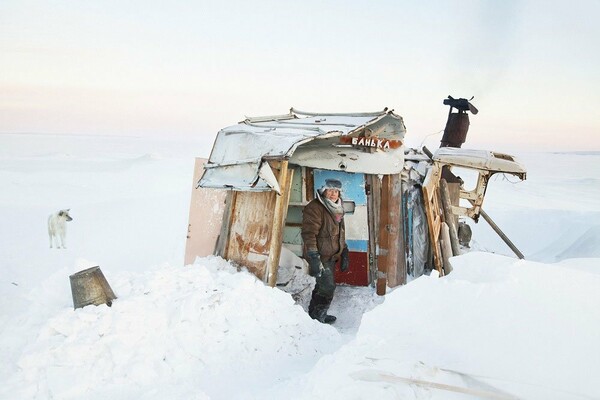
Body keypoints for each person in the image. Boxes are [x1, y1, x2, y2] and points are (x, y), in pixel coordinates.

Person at [301, 178, 350, 324]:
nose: (333, 194)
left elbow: (340, 231)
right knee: (328, 287)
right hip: (320, 255)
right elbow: (309, 234)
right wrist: (314, 257)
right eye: (330, 190)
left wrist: (344, 250)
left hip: (331, 255)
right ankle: (318, 316)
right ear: (324, 191)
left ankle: (314, 313)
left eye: (336, 191)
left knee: (321, 285)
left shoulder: (337, 207)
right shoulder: (315, 208)